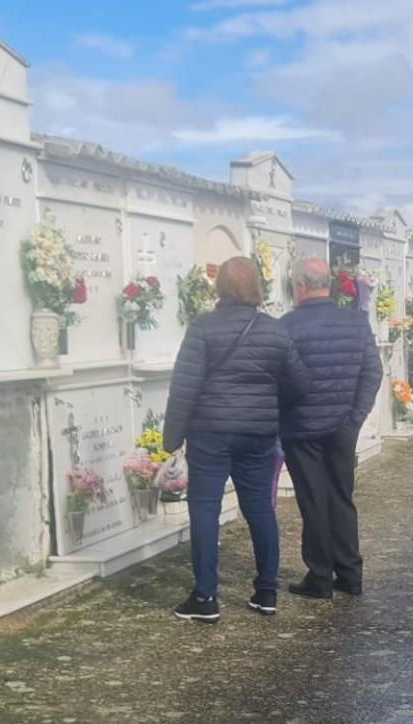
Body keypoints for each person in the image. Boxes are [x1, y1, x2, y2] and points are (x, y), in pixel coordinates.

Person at [163, 256, 310, 623]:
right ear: (257, 287)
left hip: (209, 433)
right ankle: (265, 592)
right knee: (260, 509)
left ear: (220, 288)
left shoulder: (202, 329)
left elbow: (184, 387)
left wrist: (172, 439)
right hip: (258, 435)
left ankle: (205, 597)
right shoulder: (275, 331)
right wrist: (270, 410)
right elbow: (300, 383)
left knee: (205, 510)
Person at [280, 258, 383, 599]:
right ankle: (350, 573)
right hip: (343, 425)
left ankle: (320, 575)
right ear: (330, 284)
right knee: (341, 495)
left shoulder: (288, 326)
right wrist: (355, 415)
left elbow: (281, 379)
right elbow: (373, 371)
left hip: (302, 426)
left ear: (300, 286)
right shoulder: (356, 322)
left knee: (313, 499)